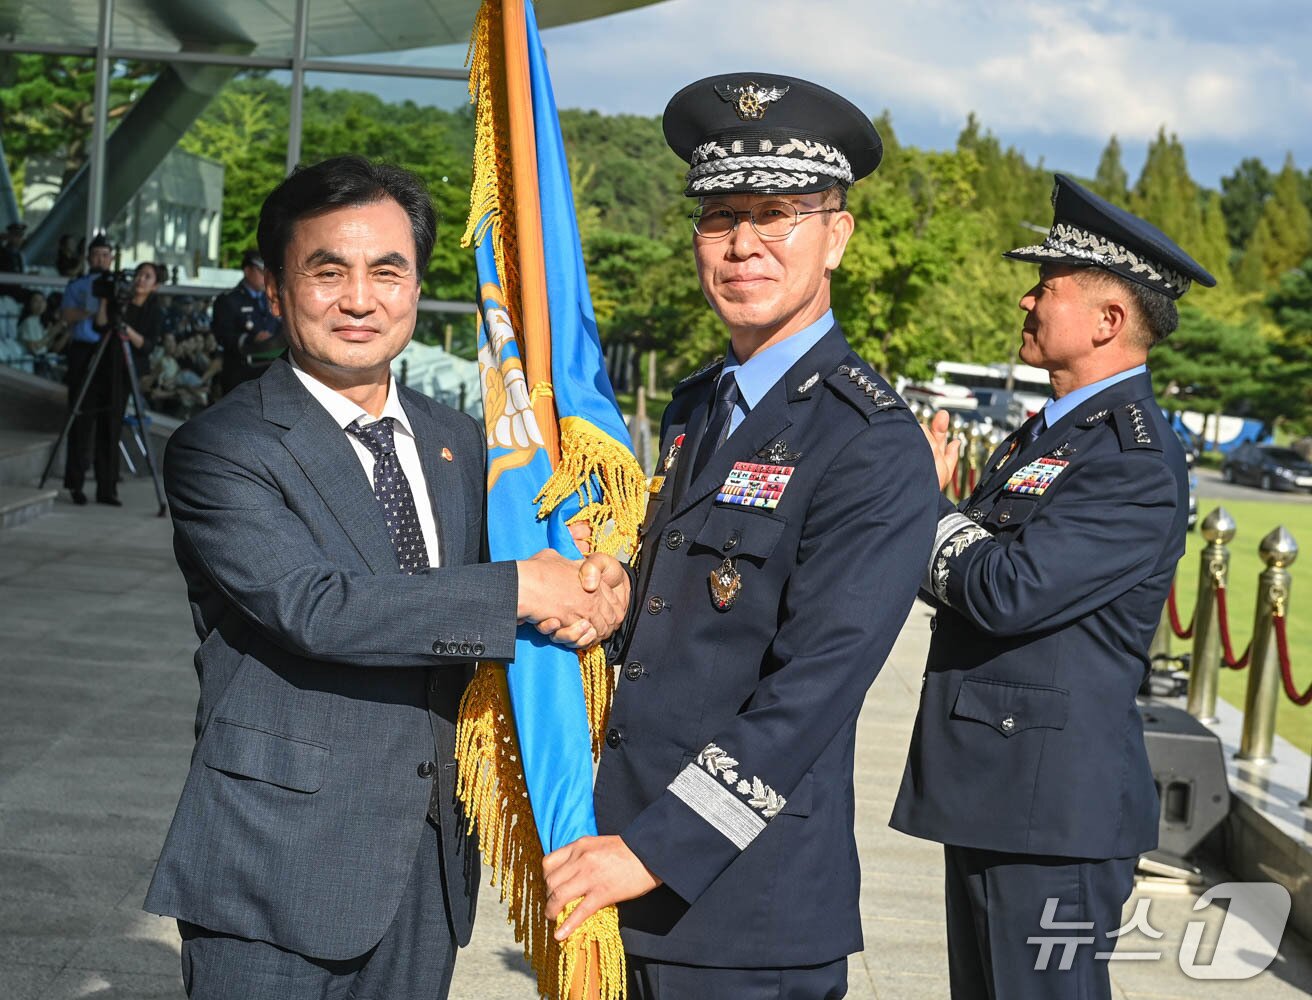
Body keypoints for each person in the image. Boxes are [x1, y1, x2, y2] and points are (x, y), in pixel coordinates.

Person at [142, 155, 631, 1000]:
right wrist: (521, 587)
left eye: (387, 271)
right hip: (273, 868)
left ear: (416, 286)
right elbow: (316, 608)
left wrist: (598, 585)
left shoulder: (464, 444)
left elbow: (516, 584)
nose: (359, 299)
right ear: (271, 283)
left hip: (426, 868)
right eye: (327, 271)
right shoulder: (223, 447)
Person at [542, 74, 939, 999]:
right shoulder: (698, 406)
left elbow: (813, 691)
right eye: (721, 217)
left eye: (779, 214)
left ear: (837, 235)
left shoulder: (868, 440)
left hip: (740, 909)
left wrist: (655, 848)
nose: (744, 244)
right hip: (625, 869)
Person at [888, 174, 1214, 1000]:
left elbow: (1005, 589)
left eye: (1049, 286)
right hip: (1004, 792)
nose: (1028, 300)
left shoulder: (1132, 459)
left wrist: (926, 509)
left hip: (1050, 814)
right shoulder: (1056, 430)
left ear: (1110, 320)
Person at [59, 233, 116, 505]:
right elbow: (67, 315)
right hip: (83, 352)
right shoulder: (78, 284)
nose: (100, 259)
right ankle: (76, 484)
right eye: (96, 255)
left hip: (109, 353)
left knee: (109, 421)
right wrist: (90, 309)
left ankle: (107, 487)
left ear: (111, 258)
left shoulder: (117, 285)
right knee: (80, 419)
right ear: (88, 257)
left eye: (105, 255)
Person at [213, 247, 282, 394]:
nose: (266, 276)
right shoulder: (229, 300)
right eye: (261, 270)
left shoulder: (272, 298)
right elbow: (223, 336)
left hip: (271, 374)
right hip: (241, 374)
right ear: (247, 271)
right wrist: (251, 339)